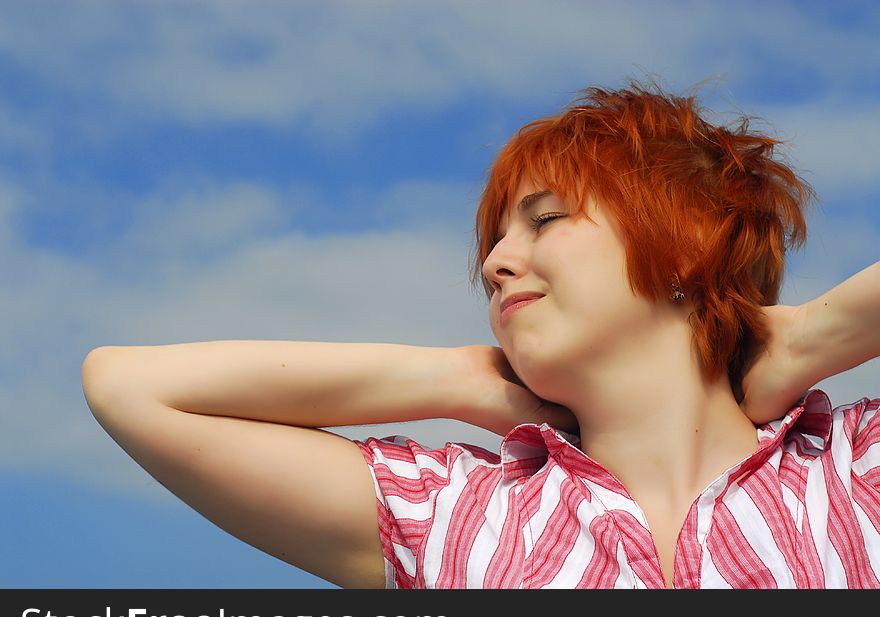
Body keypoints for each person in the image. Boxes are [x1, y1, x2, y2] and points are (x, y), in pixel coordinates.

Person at [82, 80, 880, 590]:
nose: (497, 262)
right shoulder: (457, 513)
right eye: (494, 240)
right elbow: (129, 388)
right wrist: (466, 380)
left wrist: (817, 335)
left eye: (546, 219)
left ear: (689, 247)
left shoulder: (857, 471)